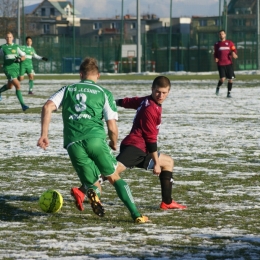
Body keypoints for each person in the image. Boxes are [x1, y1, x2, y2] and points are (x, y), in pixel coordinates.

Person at [37, 57, 149, 224]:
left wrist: (44, 134)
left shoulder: (68, 89)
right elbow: (112, 127)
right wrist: (113, 142)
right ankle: (136, 214)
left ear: (80, 74)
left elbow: (47, 107)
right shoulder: (104, 93)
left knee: (94, 182)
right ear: (98, 75)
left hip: (73, 143)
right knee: (114, 176)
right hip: (95, 140)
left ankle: (93, 193)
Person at [114, 76, 187, 210]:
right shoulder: (150, 109)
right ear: (152, 89)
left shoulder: (147, 101)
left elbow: (130, 101)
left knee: (168, 162)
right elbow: (151, 140)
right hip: (135, 147)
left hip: (141, 148)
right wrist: (156, 164)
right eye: (158, 92)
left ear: (168, 91)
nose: (160, 95)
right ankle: (83, 190)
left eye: (164, 92)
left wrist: (115, 102)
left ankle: (167, 202)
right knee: (112, 171)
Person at [0, 32, 29, 111]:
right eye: (7, 37)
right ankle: (23, 105)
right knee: (18, 86)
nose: (8, 38)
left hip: (16, 69)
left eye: (10, 37)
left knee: (9, 86)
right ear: (5, 38)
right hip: (8, 69)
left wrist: (19, 59)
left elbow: (24, 56)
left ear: (12, 38)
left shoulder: (16, 47)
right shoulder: (2, 48)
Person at [214, 29, 238, 98]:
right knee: (222, 79)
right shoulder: (217, 44)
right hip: (221, 64)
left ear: (225, 34)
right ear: (219, 36)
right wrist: (215, 58)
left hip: (229, 63)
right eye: (220, 34)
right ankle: (218, 87)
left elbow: (234, 50)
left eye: (222, 34)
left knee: (230, 79)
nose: (221, 35)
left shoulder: (230, 43)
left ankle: (229, 93)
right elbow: (215, 53)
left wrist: (234, 53)